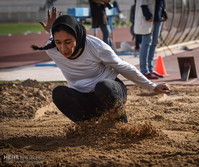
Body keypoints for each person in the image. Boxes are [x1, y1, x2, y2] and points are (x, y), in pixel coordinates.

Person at [32, 7, 171, 124]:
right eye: (58, 43)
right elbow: (56, 37)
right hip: (85, 99)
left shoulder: (95, 46)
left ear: (78, 36)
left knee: (102, 86)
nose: (63, 48)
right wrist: (51, 31)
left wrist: (152, 86)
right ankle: (89, 127)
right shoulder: (52, 48)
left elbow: (123, 67)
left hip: (110, 91)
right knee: (59, 93)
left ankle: (120, 124)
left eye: (68, 42)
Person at [134, 0, 168, 79]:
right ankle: (144, 71)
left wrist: (163, 11)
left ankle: (150, 69)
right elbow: (142, 3)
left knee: (154, 42)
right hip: (148, 18)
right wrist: (147, 14)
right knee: (146, 42)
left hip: (157, 18)